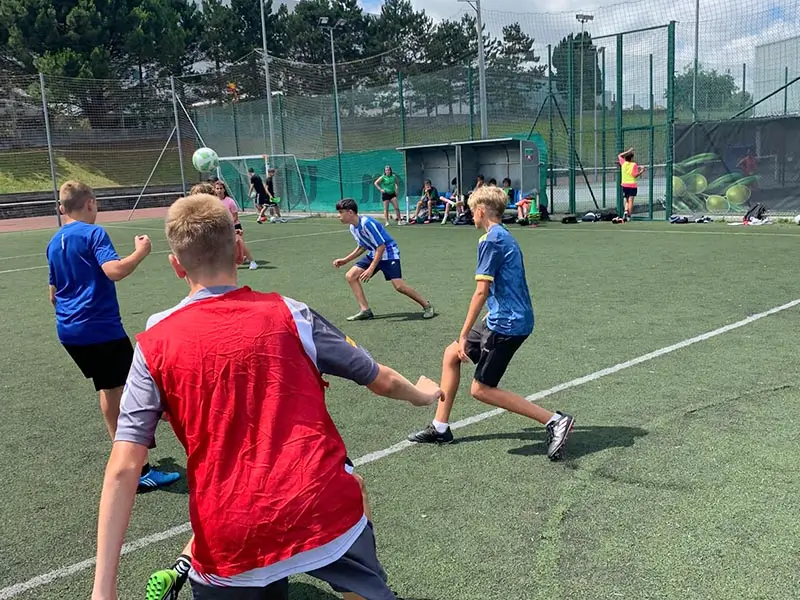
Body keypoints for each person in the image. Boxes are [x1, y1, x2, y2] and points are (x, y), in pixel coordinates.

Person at [91, 193, 443, 600]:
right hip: (319, 507)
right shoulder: (291, 313)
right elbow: (378, 378)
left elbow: (123, 466)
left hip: (230, 534)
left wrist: (104, 588)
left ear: (176, 266)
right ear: (239, 250)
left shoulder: (153, 343)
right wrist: (422, 394)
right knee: (352, 493)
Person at [408, 186, 574, 460]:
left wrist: (463, 334)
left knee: (481, 389)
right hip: (500, 316)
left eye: (472, 211)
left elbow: (481, 291)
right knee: (451, 355)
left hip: (508, 325)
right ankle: (440, 427)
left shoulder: (490, 240)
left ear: (481, 211)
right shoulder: (503, 235)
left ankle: (555, 420)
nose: (471, 216)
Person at [46, 180, 180, 490]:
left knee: (109, 388)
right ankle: (137, 467)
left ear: (61, 209)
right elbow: (114, 270)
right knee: (132, 388)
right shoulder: (93, 233)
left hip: (69, 331)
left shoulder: (54, 242)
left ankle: (131, 452)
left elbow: (53, 295)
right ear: (91, 204)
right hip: (99, 328)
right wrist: (141, 252)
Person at [333, 198, 435, 322]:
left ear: (350, 212)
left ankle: (427, 305)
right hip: (375, 253)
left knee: (399, 286)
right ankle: (365, 310)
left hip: (389, 254)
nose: (339, 216)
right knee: (351, 276)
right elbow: (362, 246)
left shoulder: (367, 224)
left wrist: (371, 269)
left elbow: (381, 246)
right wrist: (345, 260)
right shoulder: (353, 227)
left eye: (341, 212)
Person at [213, 180, 258, 270]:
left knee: (240, 245)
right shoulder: (214, 201)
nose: (219, 190)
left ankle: (253, 262)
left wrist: (228, 226)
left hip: (234, 226)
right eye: (217, 188)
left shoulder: (230, 201)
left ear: (224, 189)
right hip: (222, 227)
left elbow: (235, 217)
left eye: (221, 188)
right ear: (214, 190)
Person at [618, 147, 646, 221]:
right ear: (631, 158)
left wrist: (628, 151)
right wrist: (642, 170)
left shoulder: (623, 163)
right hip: (632, 185)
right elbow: (635, 175)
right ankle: (629, 216)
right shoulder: (634, 165)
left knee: (626, 200)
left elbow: (619, 155)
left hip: (624, 184)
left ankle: (625, 211)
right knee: (631, 200)